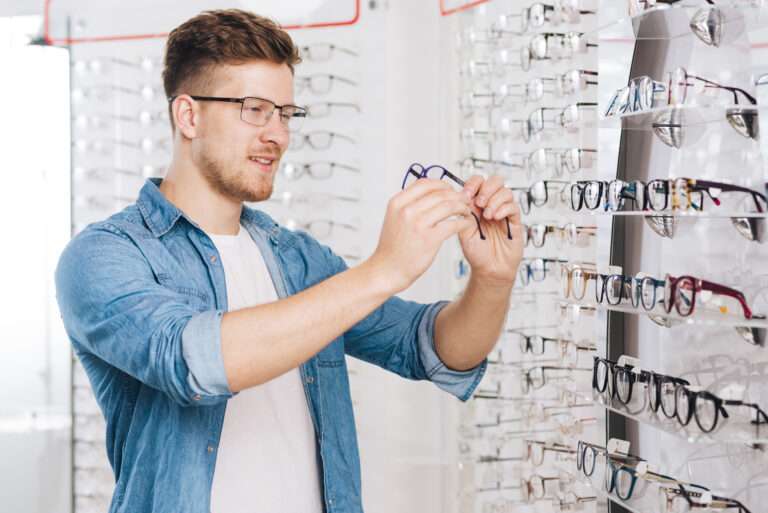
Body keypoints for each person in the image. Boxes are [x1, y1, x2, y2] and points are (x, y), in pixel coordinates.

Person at [55, 9, 523, 513]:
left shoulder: (300, 260)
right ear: (188, 115)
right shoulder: (104, 256)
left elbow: (432, 349)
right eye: (254, 109)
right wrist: (382, 269)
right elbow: (192, 363)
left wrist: (492, 279)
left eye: (285, 113)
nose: (277, 134)